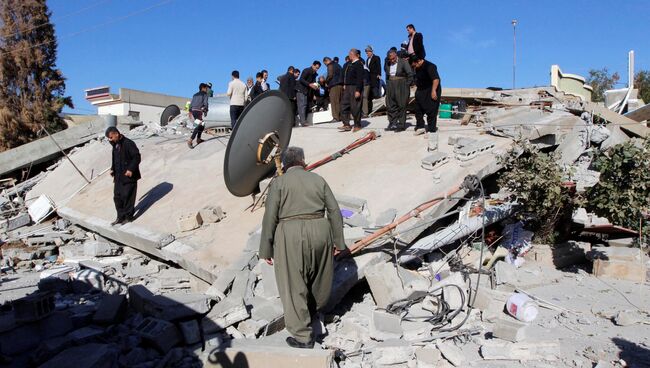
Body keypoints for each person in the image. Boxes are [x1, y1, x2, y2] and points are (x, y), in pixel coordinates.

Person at [259, 146, 346, 349]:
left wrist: (266, 249)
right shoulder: (318, 180)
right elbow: (334, 210)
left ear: (286, 164)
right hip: (320, 229)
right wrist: (338, 241)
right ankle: (314, 312)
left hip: (290, 233)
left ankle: (303, 336)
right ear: (303, 161)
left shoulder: (279, 183)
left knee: (293, 283)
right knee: (319, 277)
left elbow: (270, 217)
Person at [106, 126, 141, 226]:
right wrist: (113, 168)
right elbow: (115, 159)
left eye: (111, 137)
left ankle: (129, 217)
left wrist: (130, 169)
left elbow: (136, 157)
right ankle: (120, 217)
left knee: (127, 196)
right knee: (117, 197)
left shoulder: (128, 143)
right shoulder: (115, 145)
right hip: (118, 177)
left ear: (116, 134)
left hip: (128, 176)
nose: (110, 140)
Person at [409, 54, 441, 135]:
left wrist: (433, 91)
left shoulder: (430, 66)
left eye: (415, 64)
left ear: (419, 61)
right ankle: (420, 127)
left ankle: (431, 130)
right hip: (421, 89)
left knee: (431, 110)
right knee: (418, 108)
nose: (414, 67)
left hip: (431, 88)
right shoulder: (416, 67)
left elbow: (436, 79)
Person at [384, 49, 413, 131]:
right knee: (390, 104)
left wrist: (407, 84)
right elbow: (387, 74)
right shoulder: (387, 63)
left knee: (401, 104)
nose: (392, 60)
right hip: (390, 84)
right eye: (390, 59)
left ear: (396, 55)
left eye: (393, 58)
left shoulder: (403, 62)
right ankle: (392, 123)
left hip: (401, 84)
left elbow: (410, 74)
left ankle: (401, 125)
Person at [339, 49, 364, 132]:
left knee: (355, 107)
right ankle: (346, 124)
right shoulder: (348, 64)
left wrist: (358, 90)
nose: (349, 55)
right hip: (347, 88)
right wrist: (344, 84)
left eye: (350, 54)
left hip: (355, 87)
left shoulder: (359, 64)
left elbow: (360, 78)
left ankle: (357, 124)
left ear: (354, 55)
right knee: (344, 105)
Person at [296, 61, 321, 127]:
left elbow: (313, 83)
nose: (316, 69)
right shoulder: (306, 70)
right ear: (312, 65)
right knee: (302, 106)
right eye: (316, 67)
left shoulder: (315, 74)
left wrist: (316, 87)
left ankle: (304, 121)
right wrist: (310, 84)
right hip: (301, 90)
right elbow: (301, 79)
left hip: (307, 92)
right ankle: (303, 122)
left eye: (318, 68)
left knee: (306, 106)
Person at [187, 83, 209, 149]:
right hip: (198, 111)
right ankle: (190, 140)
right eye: (206, 88)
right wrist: (205, 110)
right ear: (203, 88)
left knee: (202, 125)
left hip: (193, 111)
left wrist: (190, 111)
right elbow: (205, 103)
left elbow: (191, 104)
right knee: (199, 125)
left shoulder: (195, 95)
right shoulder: (205, 94)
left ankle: (198, 139)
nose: (207, 89)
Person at [323, 56, 342, 123]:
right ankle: (340, 116)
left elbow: (330, 75)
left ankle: (335, 117)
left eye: (325, 64)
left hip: (334, 85)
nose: (325, 65)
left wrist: (326, 81)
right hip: (340, 85)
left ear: (326, 61)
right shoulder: (338, 65)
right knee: (339, 101)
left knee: (334, 101)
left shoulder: (330, 65)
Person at [364, 45, 382, 115]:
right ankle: (370, 110)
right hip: (369, 79)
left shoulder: (376, 58)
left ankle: (378, 108)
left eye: (368, 52)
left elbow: (379, 66)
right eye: (366, 52)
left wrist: (379, 74)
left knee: (375, 93)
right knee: (370, 95)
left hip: (375, 77)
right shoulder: (367, 60)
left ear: (371, 52)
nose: (367, 53)